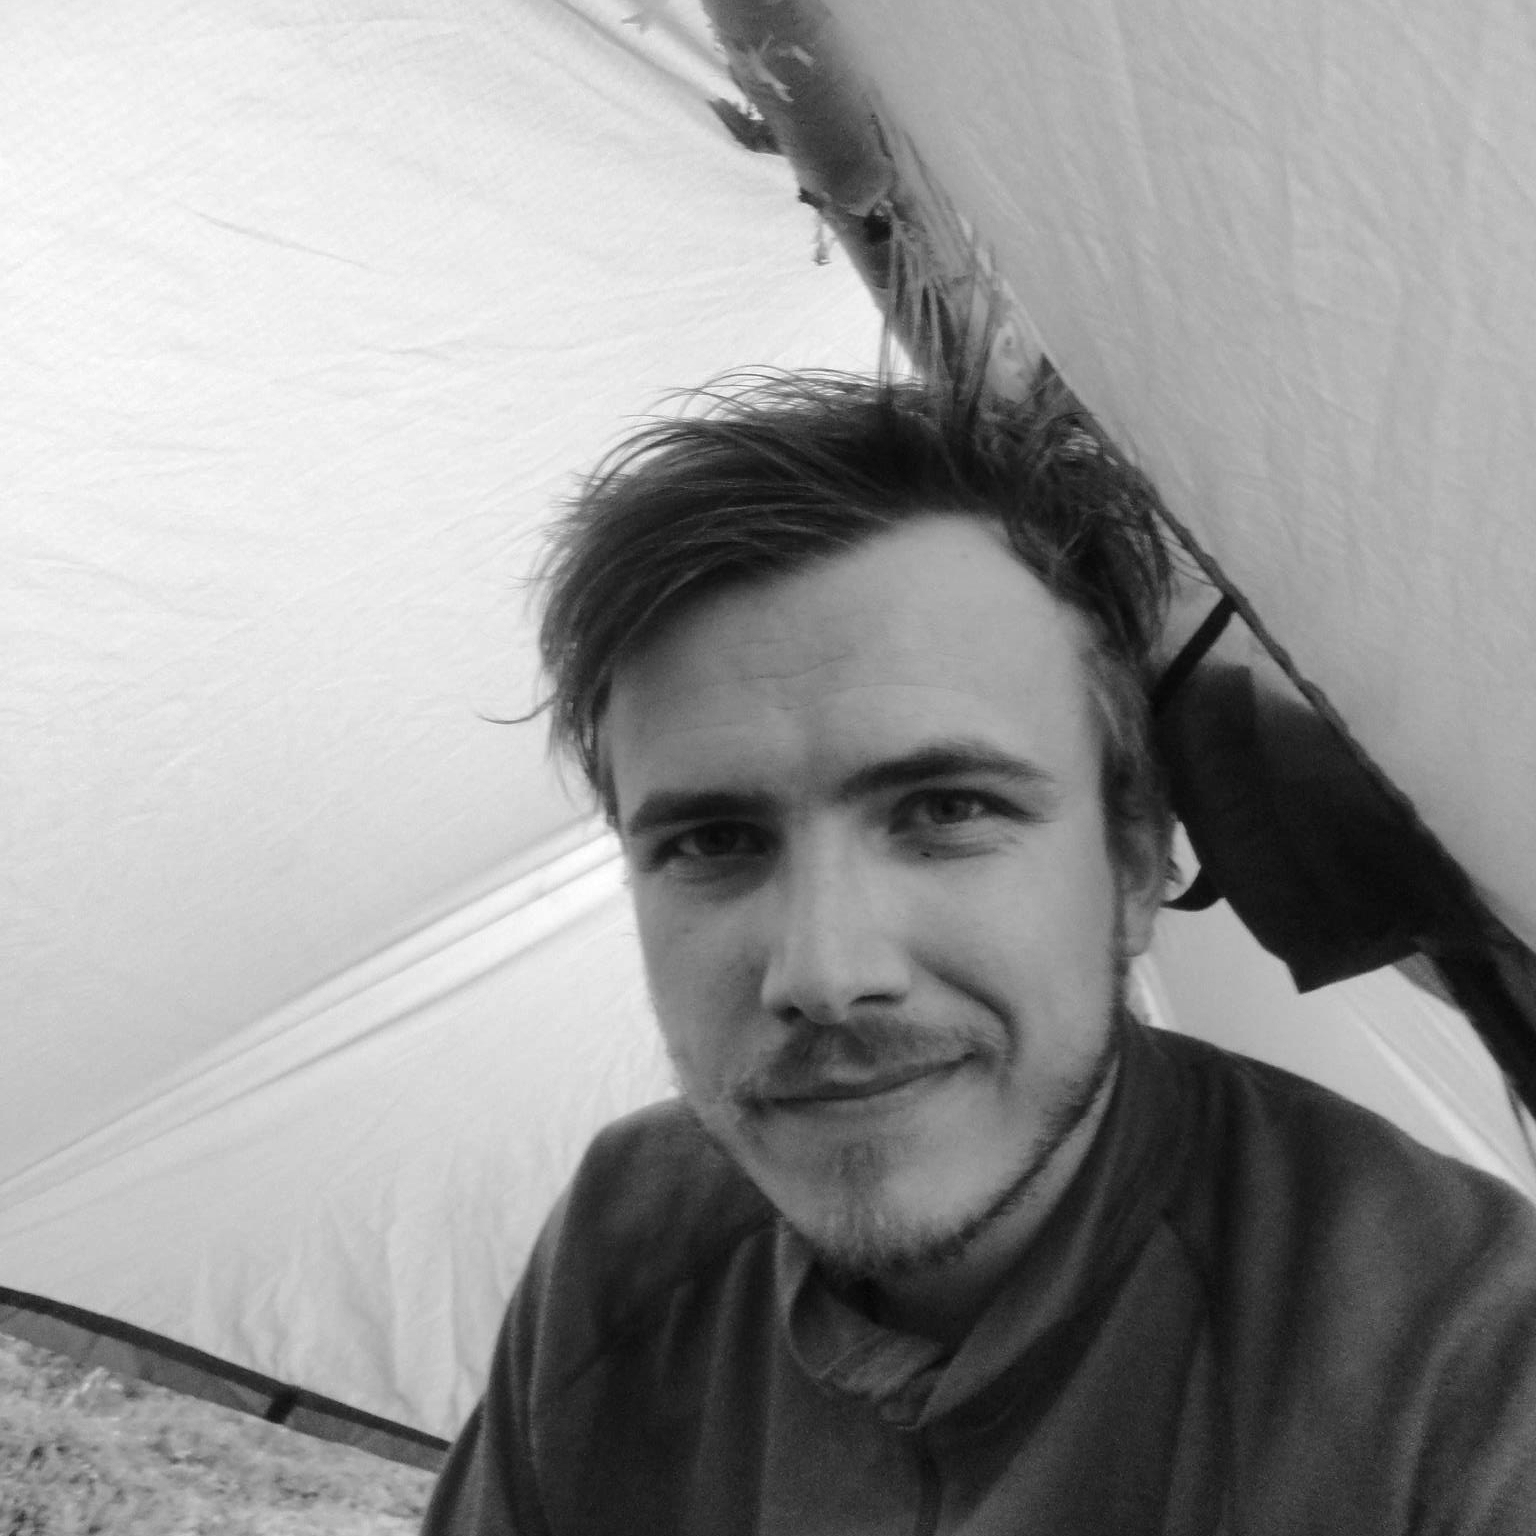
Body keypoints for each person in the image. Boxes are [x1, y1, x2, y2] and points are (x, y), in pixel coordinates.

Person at [422, 370, 1536, 1534]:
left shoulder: (1462, 1373)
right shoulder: (631, 1237)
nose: (823, 973)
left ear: (1134, 860)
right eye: (713, 841)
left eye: (948, 809)